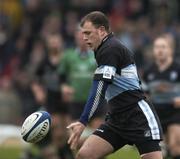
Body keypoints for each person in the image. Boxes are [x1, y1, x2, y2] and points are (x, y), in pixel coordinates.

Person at [67, 11, 163, 159]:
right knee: (85, 155)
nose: (84, 38)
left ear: (101, 31)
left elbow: (99, 88)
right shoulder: (101, 49)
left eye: (88, 33)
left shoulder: (110, 48)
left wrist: (82, 121)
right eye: (82, 33)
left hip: (137, 116)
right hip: (117, 118)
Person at [143, 34, 180, 159]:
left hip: (175, 112)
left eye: (163, 47)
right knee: (159, 152)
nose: (160, 50)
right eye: (157, 47)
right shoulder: (149, 71)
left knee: (175, 147)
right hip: (156, 114)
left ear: (170, 50)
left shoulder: (178, 68)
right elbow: (145, 93)